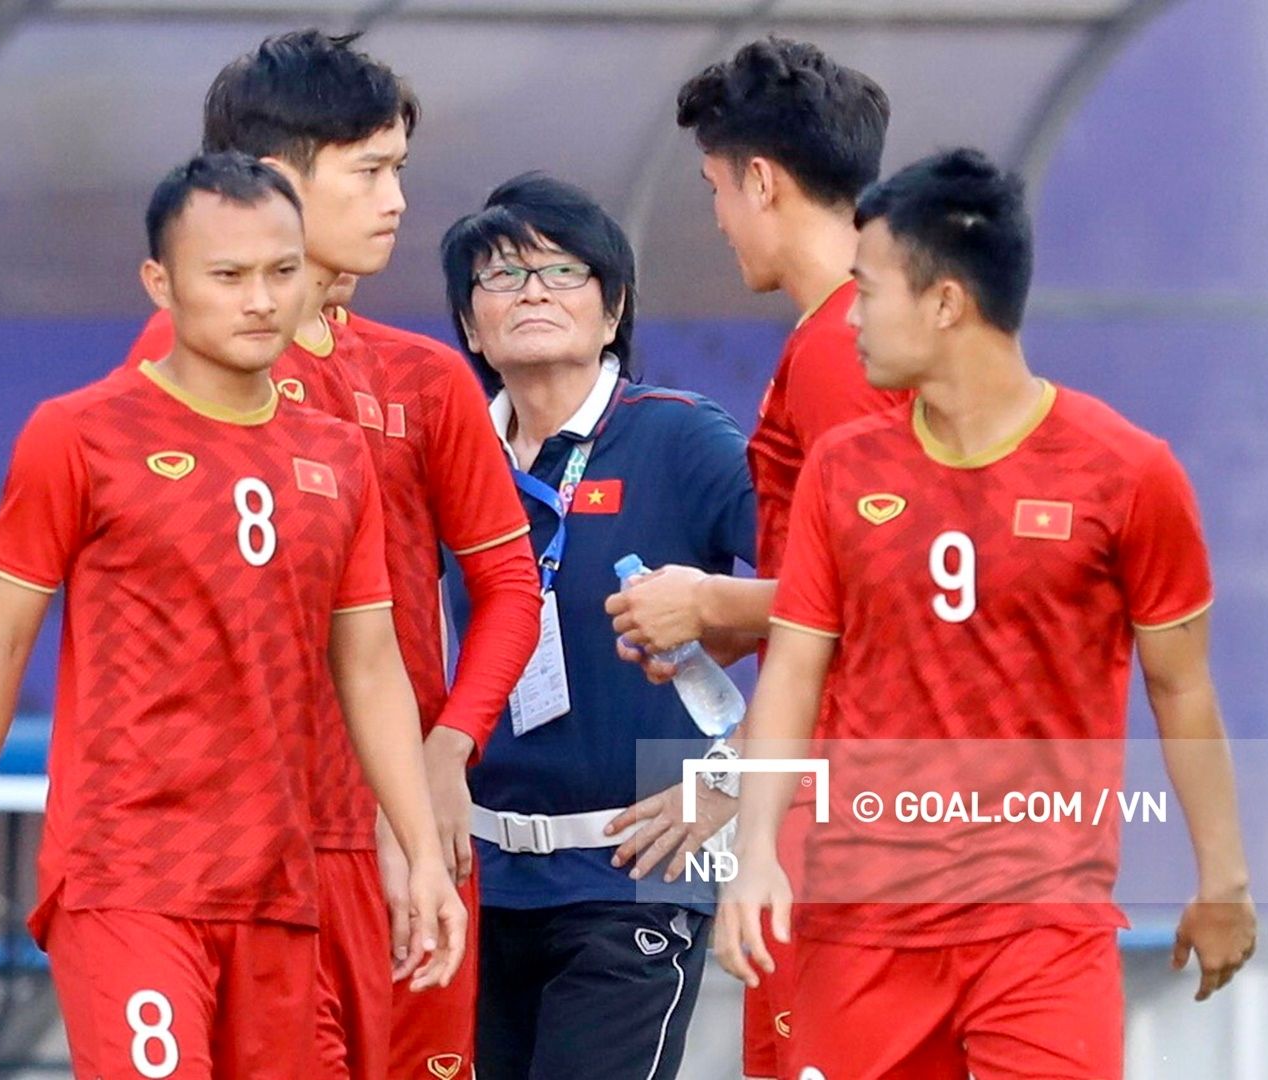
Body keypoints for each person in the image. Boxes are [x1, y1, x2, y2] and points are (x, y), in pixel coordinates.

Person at [0, 152, 465, 1080]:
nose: (260, 301)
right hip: (127, 879)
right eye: (229, 276)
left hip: (279, 887)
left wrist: (420, 855)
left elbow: (369, 667)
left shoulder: (336, 455)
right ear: (159, 284)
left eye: (282, 272)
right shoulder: (78, 434)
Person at [716, 149, 1257, 1079]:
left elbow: (1182, 688)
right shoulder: (844, 469)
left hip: (1042, 923)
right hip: (864, 922)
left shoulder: (1128, 473)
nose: (851, 317)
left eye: (869, 289)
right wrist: (755, 851)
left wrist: (1225, 878)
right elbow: (795, 674)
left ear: (945, 304)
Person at [124, 31, 541, 1080]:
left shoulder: (426, 381)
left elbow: (506, 585)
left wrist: (444, 758)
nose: (398, 198)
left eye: (399, 167)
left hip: (404, 827)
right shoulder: (165, 378)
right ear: (275, 181)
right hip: (253, 848)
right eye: (369, 171)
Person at [605, 38, 903, 1079]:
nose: (716, 218)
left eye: (716, 189)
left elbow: (881, 596)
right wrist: (717, 624)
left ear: (763, 181)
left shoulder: (843, 347)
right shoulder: (854, 333)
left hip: (859, 818)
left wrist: (707, 601)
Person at [441, 173, 755, 1080]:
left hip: (635, 875)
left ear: (613, 309)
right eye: (500, 275)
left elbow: (830, 601)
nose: (532, 290)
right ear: (470, 325)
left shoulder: (681, 437)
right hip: (482, 880)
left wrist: (737, 778)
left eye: (562, 270)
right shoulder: (449, 456)